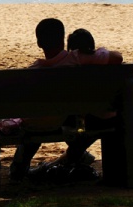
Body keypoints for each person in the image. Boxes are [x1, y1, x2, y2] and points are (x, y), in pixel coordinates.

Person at [8, 18, 124, 181]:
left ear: (39, 43)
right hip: (67, 120)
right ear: (62, 40)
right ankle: (77, 155)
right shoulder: (77, 59)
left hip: (39, 124)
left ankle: (18, 169)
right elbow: (117, 58)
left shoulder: (33, 71)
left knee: (32, 122)